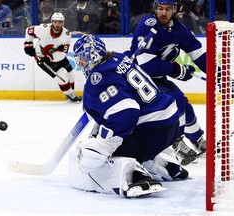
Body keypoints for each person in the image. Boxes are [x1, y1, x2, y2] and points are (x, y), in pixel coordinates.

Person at [68, 34, 188, 198]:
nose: (81, 63)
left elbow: (127, 111)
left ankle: (137, 177)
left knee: (103, 152)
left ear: (92, 57)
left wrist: (105, 145)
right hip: (170, 125)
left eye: (82, 58)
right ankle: (169, 167)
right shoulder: (118, 58)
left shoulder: (98, 78)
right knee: (126, 139)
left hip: (151, 132)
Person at [128, 0, 206, 165]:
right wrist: (176, 70)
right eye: (160, 9)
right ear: (154, 9)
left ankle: (198, 140)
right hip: (137, 76)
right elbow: (147, 65)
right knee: (176, 101)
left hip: (155, 77)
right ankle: (177, 146)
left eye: (168, 9)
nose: (163, 13)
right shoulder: (147, 26)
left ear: (175, 10)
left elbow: (199, 55)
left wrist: (219, 75)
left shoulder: (179, 28)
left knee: (183, 102)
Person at [24, 12, 82, 102]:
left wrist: (49, 57)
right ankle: (71, 95)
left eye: (60, 22)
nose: (57, 24)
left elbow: (63, 53)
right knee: (62, 74)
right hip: (41, 57)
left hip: (57, 56)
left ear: (63, 23)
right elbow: (29, 30)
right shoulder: (43, 29)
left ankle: (70, 93)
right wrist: (28, 45)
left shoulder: (66, 35)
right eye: (55, 22)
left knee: (71, 74)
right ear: (52, 22)